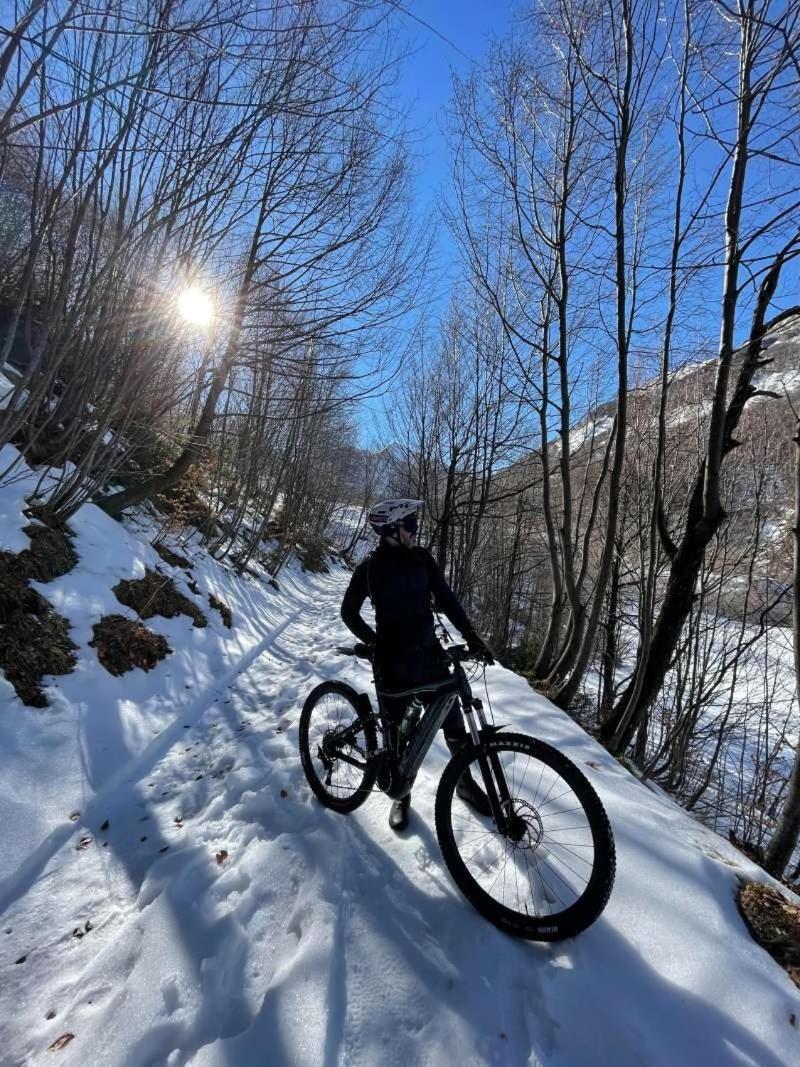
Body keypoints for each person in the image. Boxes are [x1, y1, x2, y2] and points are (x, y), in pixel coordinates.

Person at [341, 498, 495, 832]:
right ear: (392, 530)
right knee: (397, 737)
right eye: (410, 525)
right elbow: (348, 612)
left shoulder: (422, 559)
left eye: (414, 524)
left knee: (453, 723)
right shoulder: (369, 568)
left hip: (429, 654)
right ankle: (401, 795)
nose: (415, 530)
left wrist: (473, 637)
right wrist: (374, 642)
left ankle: (464, 783)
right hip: (392, 663)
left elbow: (448, 600)